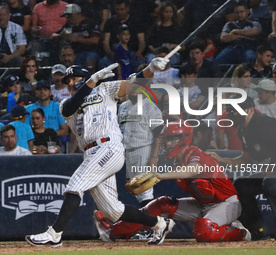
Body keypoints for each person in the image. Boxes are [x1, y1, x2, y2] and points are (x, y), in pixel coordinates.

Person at [25, 58, 175, 247]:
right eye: (67, 80)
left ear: (85, 77)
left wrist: (151, 68)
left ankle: (54, 233)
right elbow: (73, 105)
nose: (70, 83)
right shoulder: (65, 104)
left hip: (108, 147)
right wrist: (89, 82)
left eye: (73, 78)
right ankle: (159, 224)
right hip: (91, 153)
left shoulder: (105, 89)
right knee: (113, 211)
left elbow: (136, 81)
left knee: (75, 184)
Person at [94, 122, 251, 243]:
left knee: (203, 231)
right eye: (166, 140)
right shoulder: (178, 160)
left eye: (171, 139)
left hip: (226, 204)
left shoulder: (195, 153)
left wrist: (161, 176)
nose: (167, 143)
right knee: (159, 204)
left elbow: (192, 170)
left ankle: (239, 231)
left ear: (183, 139)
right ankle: (112, 231)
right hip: (202, 205)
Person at [208, 96, 276, 240]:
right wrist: (221, 160)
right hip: (271, 174)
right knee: (242, 184)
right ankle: (257, 229)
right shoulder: (244, 131)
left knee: (270, 183)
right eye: (230, 110)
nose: (232, 114)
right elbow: (246, 159)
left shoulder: (266, 124)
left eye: (236, 110)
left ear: (250, 110)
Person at [118, 79, 162, 206]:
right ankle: (152, 221)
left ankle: (154, 222)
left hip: (144, 150)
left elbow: (158, 134)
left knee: (145, 190)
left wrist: (153, 157)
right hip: (127, 151)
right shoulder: (123, 106)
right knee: (136, 190)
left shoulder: (151, 107)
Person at [99, 0, 146, 72]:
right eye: (117, 9)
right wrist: (109, 53)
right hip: (115, 53)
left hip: (131, 53)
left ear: (127, 9)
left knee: (140, 64)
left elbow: (142, 41)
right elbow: (105, 41)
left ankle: (136, 83)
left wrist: (139, 52)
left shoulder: (136, 21)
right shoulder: (110, 22)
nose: (119, 12)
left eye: (122, 9)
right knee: (103, 62)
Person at [145, 1, 184, 65]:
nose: (168, 14)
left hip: (172, 53)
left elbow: (183, 46)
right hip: (156, 52)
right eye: (166, 12)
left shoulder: (177, 27)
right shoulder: (156, 27)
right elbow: (149, 43)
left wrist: (173, 46)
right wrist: (155, 51)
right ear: (162, 13)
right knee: (150, 59)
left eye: (170, 12)